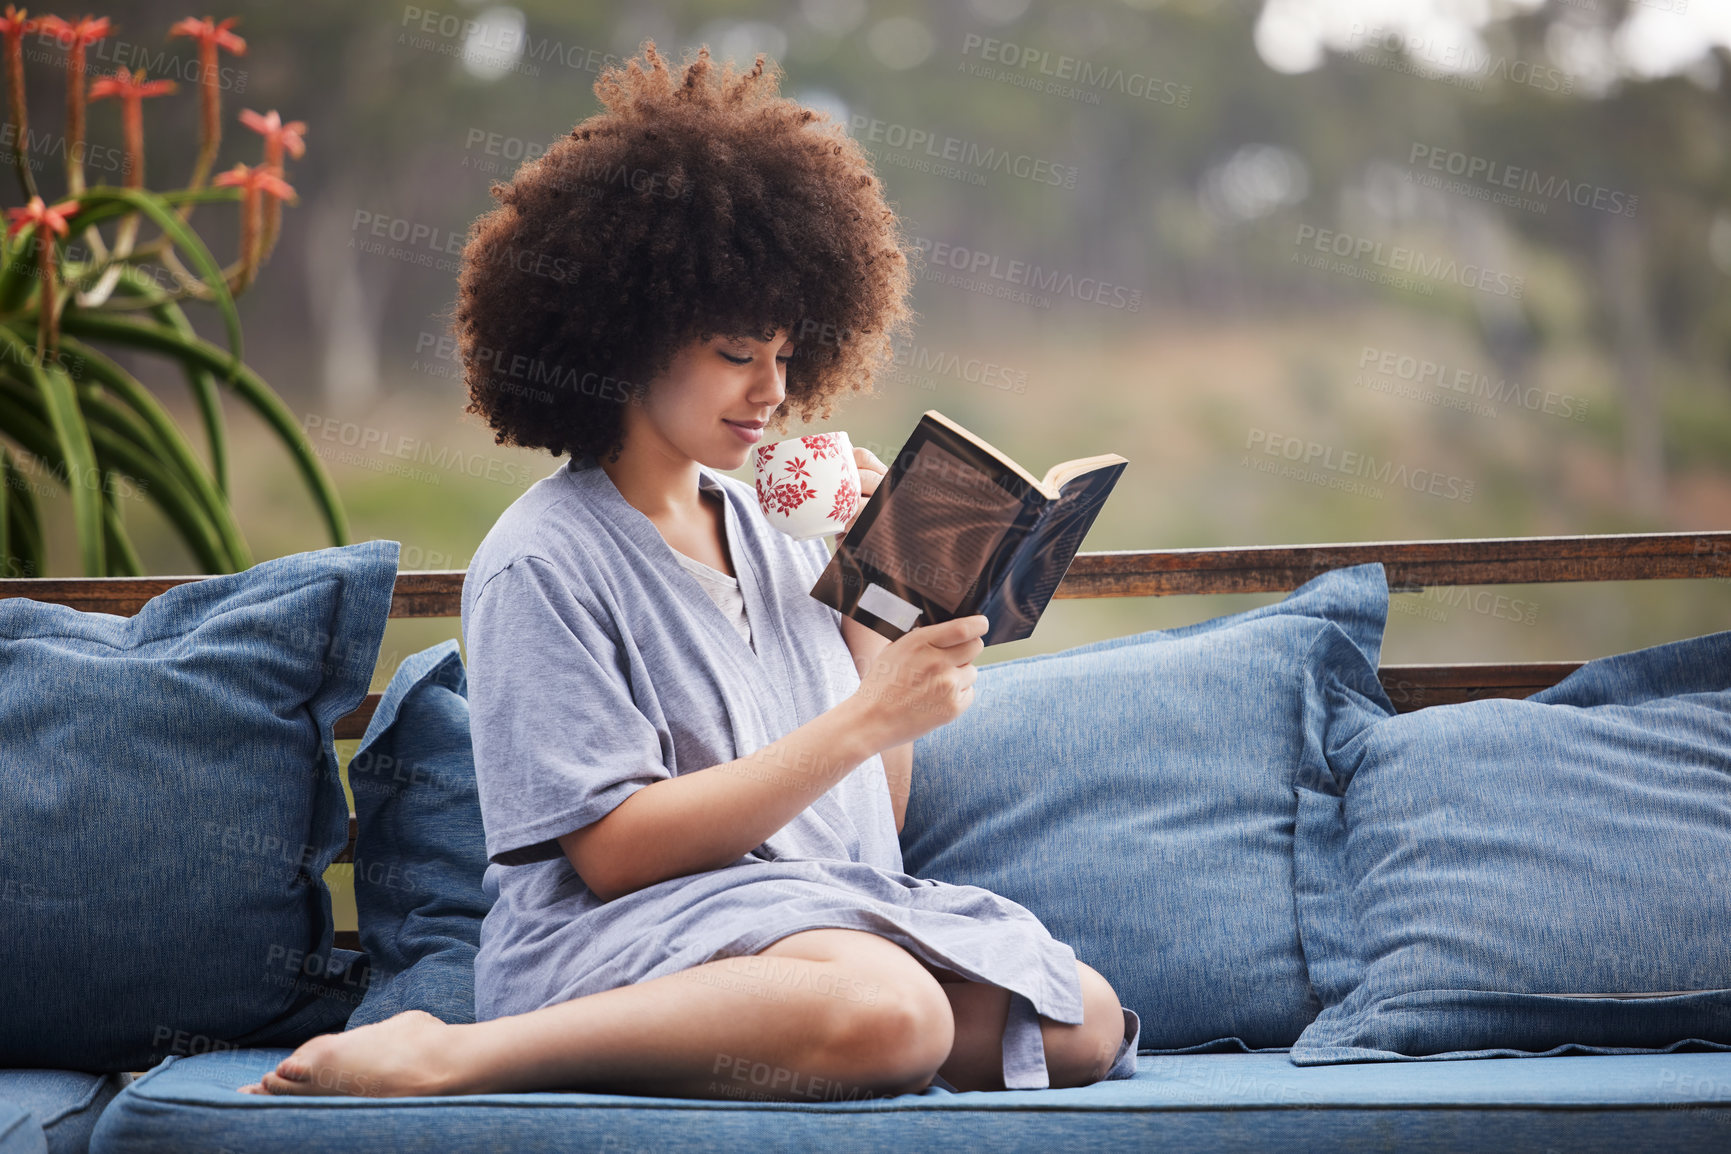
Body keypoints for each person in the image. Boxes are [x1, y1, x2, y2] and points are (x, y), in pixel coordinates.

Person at [240, 40, 1139, 1102]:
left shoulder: (780, 528)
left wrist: (875, 602)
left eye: (785, 353)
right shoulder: (541, 560)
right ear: (628, 336)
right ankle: (463, 1054)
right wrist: (862, 719)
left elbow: (868, 820)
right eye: (733, 351)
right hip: (620, 939)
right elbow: (613, 854)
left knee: (1081, 1018)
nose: (772, 390)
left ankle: (826, 1020)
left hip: (810, 916)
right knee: (893, 1013)